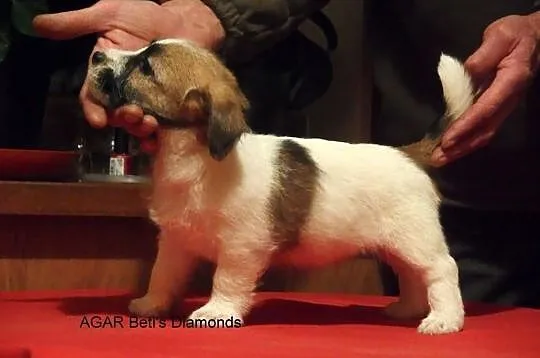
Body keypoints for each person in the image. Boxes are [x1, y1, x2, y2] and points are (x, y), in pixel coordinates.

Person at [32, 0, 540, 307]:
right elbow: (181, 237)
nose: (115, 63)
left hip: (490, 169)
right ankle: (415, 301)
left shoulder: (231, 155)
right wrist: (203, 13)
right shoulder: (194, 161)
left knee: (421, 256)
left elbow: (247, 239)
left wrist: (227, 301)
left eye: (145, 69)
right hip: (478, 179)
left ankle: (433, 296)